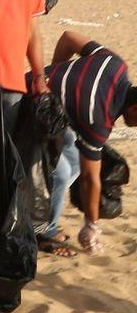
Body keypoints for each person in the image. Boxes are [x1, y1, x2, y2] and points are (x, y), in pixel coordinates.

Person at [30, 31, 137, 256]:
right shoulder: (99, 118)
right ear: (134, 109)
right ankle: (42, 231)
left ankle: (47, 224)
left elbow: (68, 38)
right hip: (26, 108)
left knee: (72, 161)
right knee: (59, 173)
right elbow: (91, 179)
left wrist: (54, 74)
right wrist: (92, 225)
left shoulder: (116, 65)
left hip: (44, 102)